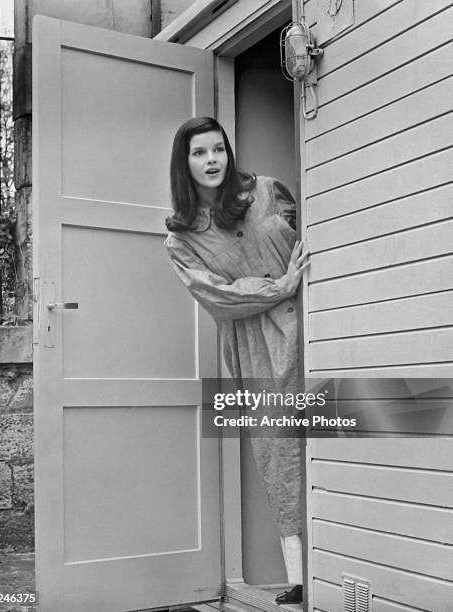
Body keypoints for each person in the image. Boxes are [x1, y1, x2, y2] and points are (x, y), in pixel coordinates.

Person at [165, 116, 310, 605]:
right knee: (279, 452)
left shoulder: (269, 191)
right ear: (183, 164)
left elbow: (313, 247)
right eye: (199, 153)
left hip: (313, 328)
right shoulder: (182, 238)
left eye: (218, 149)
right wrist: (277, 287)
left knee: (340, 432)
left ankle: (345, 558)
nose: (212, 160)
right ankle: (302, 578)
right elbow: (218, 297)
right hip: (256, 347)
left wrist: (294, 288)